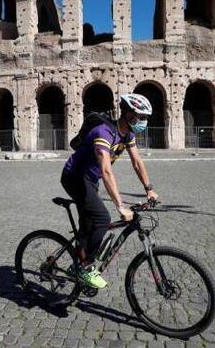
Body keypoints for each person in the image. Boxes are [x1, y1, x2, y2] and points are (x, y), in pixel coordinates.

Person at [61, 93, 158, 289]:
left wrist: (149, 189)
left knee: (88, 225)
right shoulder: (103, 132)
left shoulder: (127, 134)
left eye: (146, 118)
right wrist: (120, 206)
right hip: (75, 177)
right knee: (102, 218)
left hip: (90, 179)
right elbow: (106, 170)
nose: (144, 122)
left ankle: (77, 262)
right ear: (130, 116)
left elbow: (137, 162)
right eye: (142, 117)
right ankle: (85, 267)